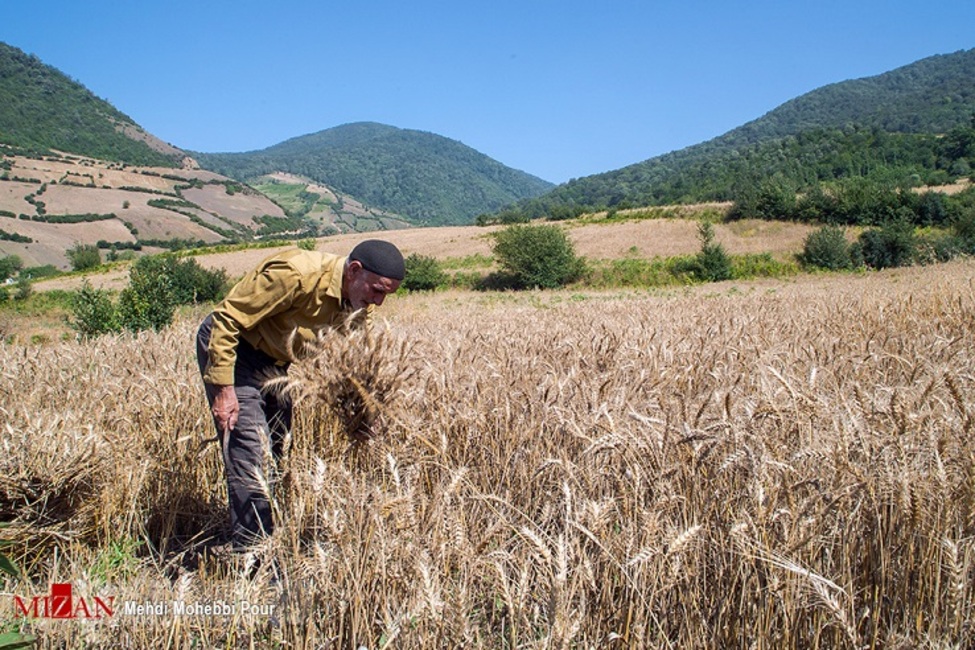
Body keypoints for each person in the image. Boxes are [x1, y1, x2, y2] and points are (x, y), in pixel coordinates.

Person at [195, 239, 404, 552]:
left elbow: (352, 365)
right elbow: (227, 320)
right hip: (234, 350)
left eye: (386, 295)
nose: (379, 302)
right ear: (354, 270)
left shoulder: (360, 308)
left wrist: (362, 415)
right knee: (250, 450)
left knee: (277, 446)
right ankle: (253, 559)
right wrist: (223, 390)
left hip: (275, 363)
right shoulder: (296, 274)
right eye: (377, 290)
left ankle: (258, 534)